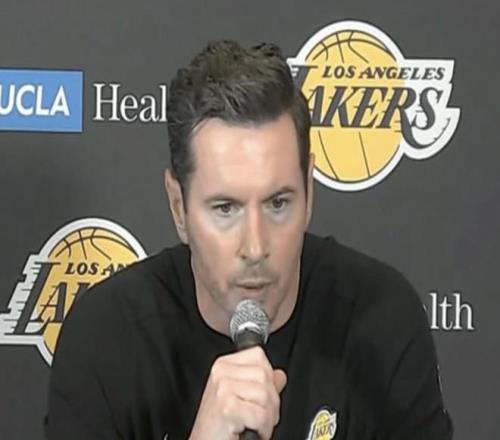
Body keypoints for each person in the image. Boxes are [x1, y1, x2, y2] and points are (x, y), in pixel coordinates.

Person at [45, 40, 453, 440]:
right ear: (178, 208)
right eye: (226, 208)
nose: (256, 247)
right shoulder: (105, 338)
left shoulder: (380, 320)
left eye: (278, 204)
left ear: (309, 193)